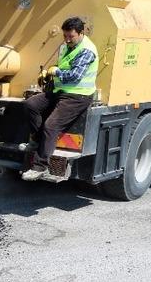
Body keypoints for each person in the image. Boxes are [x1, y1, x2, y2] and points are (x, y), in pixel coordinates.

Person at [21, 16, 98, 181]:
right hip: (60, 91)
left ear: (81, 33)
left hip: (78, 96)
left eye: (71, 36)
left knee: (51, 125)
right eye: (65, 36)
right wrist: (49, 71)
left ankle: (39, 167)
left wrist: (56, 72)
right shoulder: (65, 46)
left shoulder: (87, 50)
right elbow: (62, 65)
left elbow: (74, 76)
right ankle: (37, 141)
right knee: (30, 105)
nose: (68, 40)